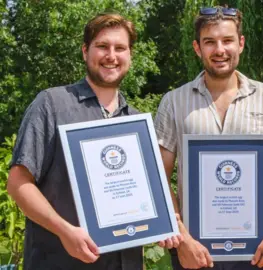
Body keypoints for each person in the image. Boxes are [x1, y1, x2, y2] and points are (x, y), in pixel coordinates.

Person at [7, 12, 181, 270]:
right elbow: (18, 183)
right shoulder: (52, 104)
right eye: (102, 46)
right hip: (60, 262)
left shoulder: (136, 123)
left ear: (130, 55)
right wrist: (65, 231)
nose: (111, 56)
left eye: (120, 48)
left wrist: (165, 222)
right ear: (85, 51)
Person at [154, 6, 263, 270]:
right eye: (210, 42)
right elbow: (159, 174)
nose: (220, 50)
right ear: (197, 48)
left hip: (258, 251)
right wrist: (182, 238)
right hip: (195, 253)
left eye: (227, 40)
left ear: (240, 44)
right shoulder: (173, 101)